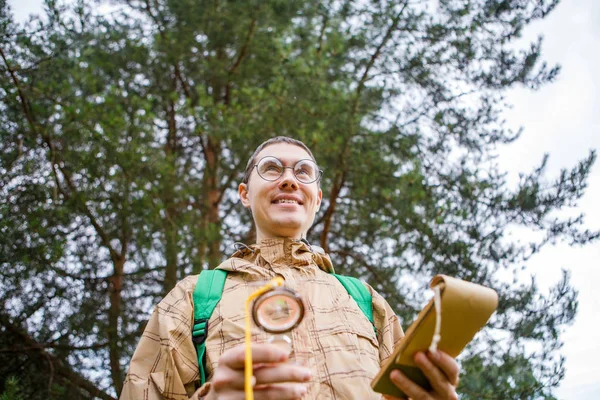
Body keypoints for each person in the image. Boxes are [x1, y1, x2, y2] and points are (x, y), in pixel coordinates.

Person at [120, 137, 460, 400]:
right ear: (244, 193)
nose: (288, 180)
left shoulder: (364, 300)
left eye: (303, 172)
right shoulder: (195, 296)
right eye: (271, 168)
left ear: (317, 197)